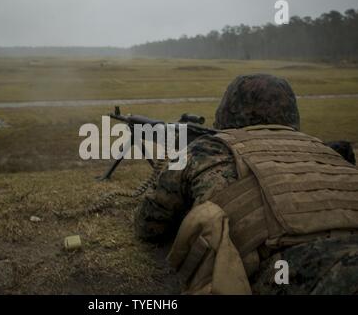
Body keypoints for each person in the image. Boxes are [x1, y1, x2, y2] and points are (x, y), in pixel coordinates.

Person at [134, 74, 358, 294]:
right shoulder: (328, 151)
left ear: (227, 110)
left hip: (302, 270)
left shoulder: (206, 150)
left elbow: (149, 224)